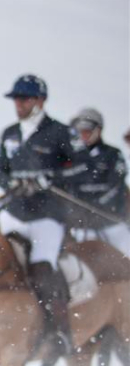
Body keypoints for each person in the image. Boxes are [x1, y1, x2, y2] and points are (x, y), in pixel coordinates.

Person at [0, 74, 77, 352]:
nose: (19, 104)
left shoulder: (61, 133)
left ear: (40, 101)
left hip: (47, 217)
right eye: (16, 98)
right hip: (15, 212)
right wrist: (11, 183)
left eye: (24, 98)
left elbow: (75, 168)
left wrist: (47, 180)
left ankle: (58, 330)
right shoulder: (9, 134)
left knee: (42, 269)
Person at [61, 107, 129, 258]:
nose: (84, 135)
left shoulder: (113, 154)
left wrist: (97, 205)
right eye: (80, 131)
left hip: (112, 224)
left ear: (98, 130)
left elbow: (116, 185)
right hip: (81, 227)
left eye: (88, 131)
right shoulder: (70, 158)